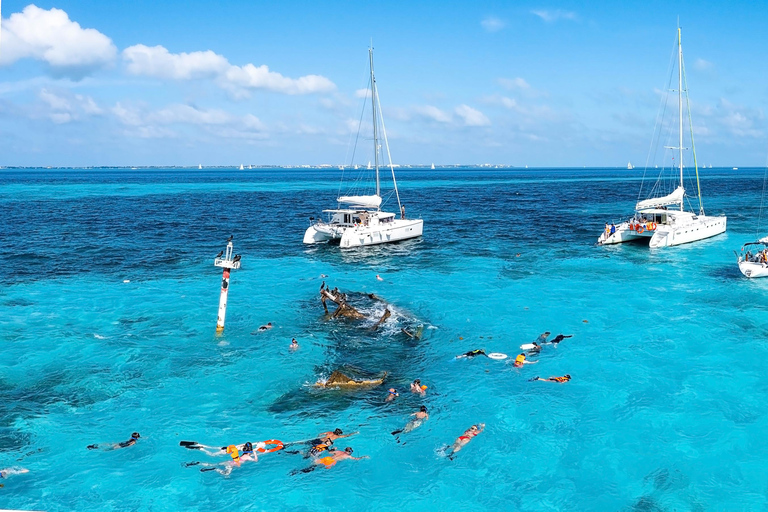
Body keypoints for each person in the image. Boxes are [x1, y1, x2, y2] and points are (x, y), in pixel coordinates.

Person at [291, 447, 368, 474]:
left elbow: (329, 452)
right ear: (350, 452)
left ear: (345, 450)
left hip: (327, 458)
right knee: (316, 469)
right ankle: (300, 472)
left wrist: (334, 449)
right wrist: (364, 457)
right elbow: (357, 459)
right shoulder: (347, 456)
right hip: (331, 462)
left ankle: (297, 471)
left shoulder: (339, 451)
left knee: (313, 465)